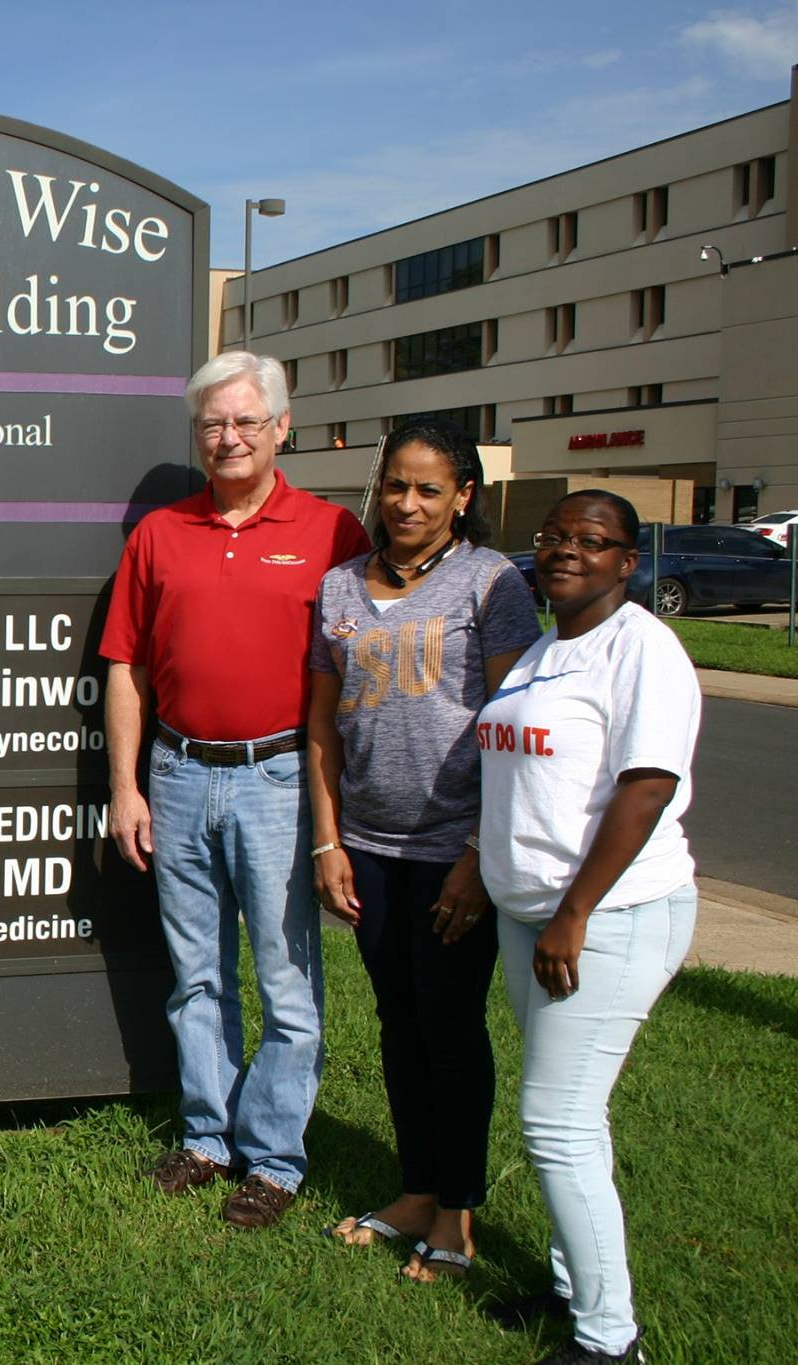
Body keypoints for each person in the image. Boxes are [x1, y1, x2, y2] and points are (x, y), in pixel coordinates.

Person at [101, 350, 371, 1228]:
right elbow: (127, 666)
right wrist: (126, 786)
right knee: (195, 977)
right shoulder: (160, 534)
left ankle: (275, 1157)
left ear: (282, 427)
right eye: (213, 423)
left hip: (279, 777)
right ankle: (208, 1137)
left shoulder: (333, 533)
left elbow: (363, 665)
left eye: (246, 421)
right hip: (178, 773)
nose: (228, 438)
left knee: (287, 981)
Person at [305, 422, 541, 1281]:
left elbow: (516, 724)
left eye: (429, 489)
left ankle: (457, 1211)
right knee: (398, 1022)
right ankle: (415, 1190)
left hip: (453, 850)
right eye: (396, 486)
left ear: (463, 497)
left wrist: (479, 854)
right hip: (368, 846)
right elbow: (322, 724)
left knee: (450, 1026)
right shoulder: (339, 586)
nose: (407, 503)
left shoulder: (491, 582)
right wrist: (327, 840)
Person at [477, 490, 699, 1365]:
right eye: (555, 536)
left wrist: (574, 912)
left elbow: (647, 786)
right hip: (528, 914)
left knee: (556, 1121)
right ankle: (575, 1288)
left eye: (592, 540)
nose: (568, 550)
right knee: (573, 1118)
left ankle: (610, 1341)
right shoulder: (546, 648)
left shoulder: (642, 648)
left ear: (627, 561)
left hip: (608, 916)